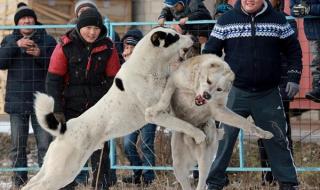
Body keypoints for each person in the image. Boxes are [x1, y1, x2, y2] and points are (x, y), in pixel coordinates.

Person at [202, 0, 302, 189]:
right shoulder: (226, 20)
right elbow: (210, 52)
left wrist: (294, 77)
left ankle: (289, 184)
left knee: (278, 139)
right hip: (235, 93)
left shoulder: (279, 20)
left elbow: (294, 50)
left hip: (268, 94)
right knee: (223, 139)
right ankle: (213, 183)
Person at [46, 8, 121, 190]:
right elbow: (53, 79)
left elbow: (115, 80)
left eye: (96, 28)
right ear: (79, 27)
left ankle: (100, 186)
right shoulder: (65, 45)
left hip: (99, 109)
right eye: (88, 27)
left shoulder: (108, 47)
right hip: (70, 108)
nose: (92, 32)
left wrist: (112, 108)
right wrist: (56, 109)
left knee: (101, 155)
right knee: (69, 155)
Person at [0, 2, 56, 189]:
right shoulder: (9, 40)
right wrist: (16, 46)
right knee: (17, 148)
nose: (26, 21)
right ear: (17, 23)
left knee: (45, 146)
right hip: (17, 101)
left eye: (29, 17)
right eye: (23, 18)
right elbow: (1, 62)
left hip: (41, 102)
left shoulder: (47, 40)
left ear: (34, 20)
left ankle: (46, 181)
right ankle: (19, 183)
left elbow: (56, 67)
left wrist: (40, 54)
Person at [258, 0, 298, 186]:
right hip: (260, 84)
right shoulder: (256, 19)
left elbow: (288, 49)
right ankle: (267, 173)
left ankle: (285, 174)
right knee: (261, 129)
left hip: (280, 83)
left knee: (281, 130)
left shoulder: (287, 20)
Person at [119, 29, 157, 185]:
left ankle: (148, 177)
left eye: (131, 46)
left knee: (147, 144)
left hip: (148, 110)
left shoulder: (149, 63)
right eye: (126, 46)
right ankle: (137, 172)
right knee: (128, 144)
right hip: (131, 112)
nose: (128, 49)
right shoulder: (123, 65)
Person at [290, 0, 320, 102]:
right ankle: (318, 89)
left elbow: (304, 9)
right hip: (313, 33)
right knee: (316, 63)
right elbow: (293, 10)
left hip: (314, 31)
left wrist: (310, 9)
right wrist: (300, 9)